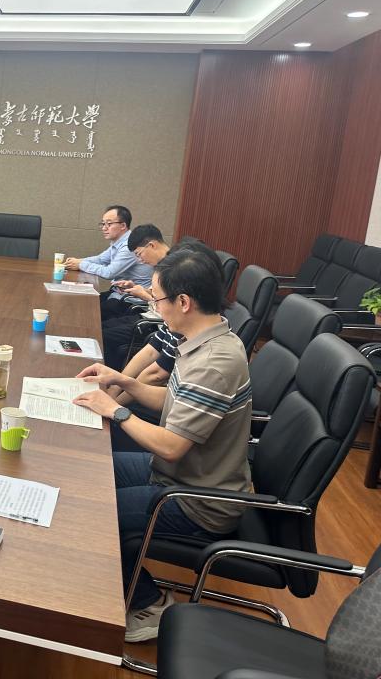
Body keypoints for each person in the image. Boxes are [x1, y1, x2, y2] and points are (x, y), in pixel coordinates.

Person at [72, 248, 252, 643]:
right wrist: (125, 382)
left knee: (90, 512)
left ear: (183, 302)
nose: (154, 306)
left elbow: (171, 445)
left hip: (197, 500)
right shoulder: (204, 340)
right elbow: (174, 401)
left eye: (157, 298)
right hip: (176, 474)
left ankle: (149, 604)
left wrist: (115, 410)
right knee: (88, 471)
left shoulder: (214, 362)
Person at [101, 224, 172, 369]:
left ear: (151, 245)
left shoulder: (173, 269)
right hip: (148, 315)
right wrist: (137, 288)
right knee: (101, 326)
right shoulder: (162, 266)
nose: (140, 260)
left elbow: (169, 308)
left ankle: (110, 375)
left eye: (139, 254)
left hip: (155, 325)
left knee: (104, 336)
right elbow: (158, 295)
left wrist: (144, 295)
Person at [64, 205, 153, 319]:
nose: (104, 228)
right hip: (118, 293)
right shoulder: (119, 242)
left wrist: (80, 264)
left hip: (130, 300)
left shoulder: (129, 245)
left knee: (84, 313)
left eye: (109, 224)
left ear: (123, 225)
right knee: (80, 303)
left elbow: (109, 273)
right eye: (103, 224)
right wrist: (77, 261)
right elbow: (101, 259)